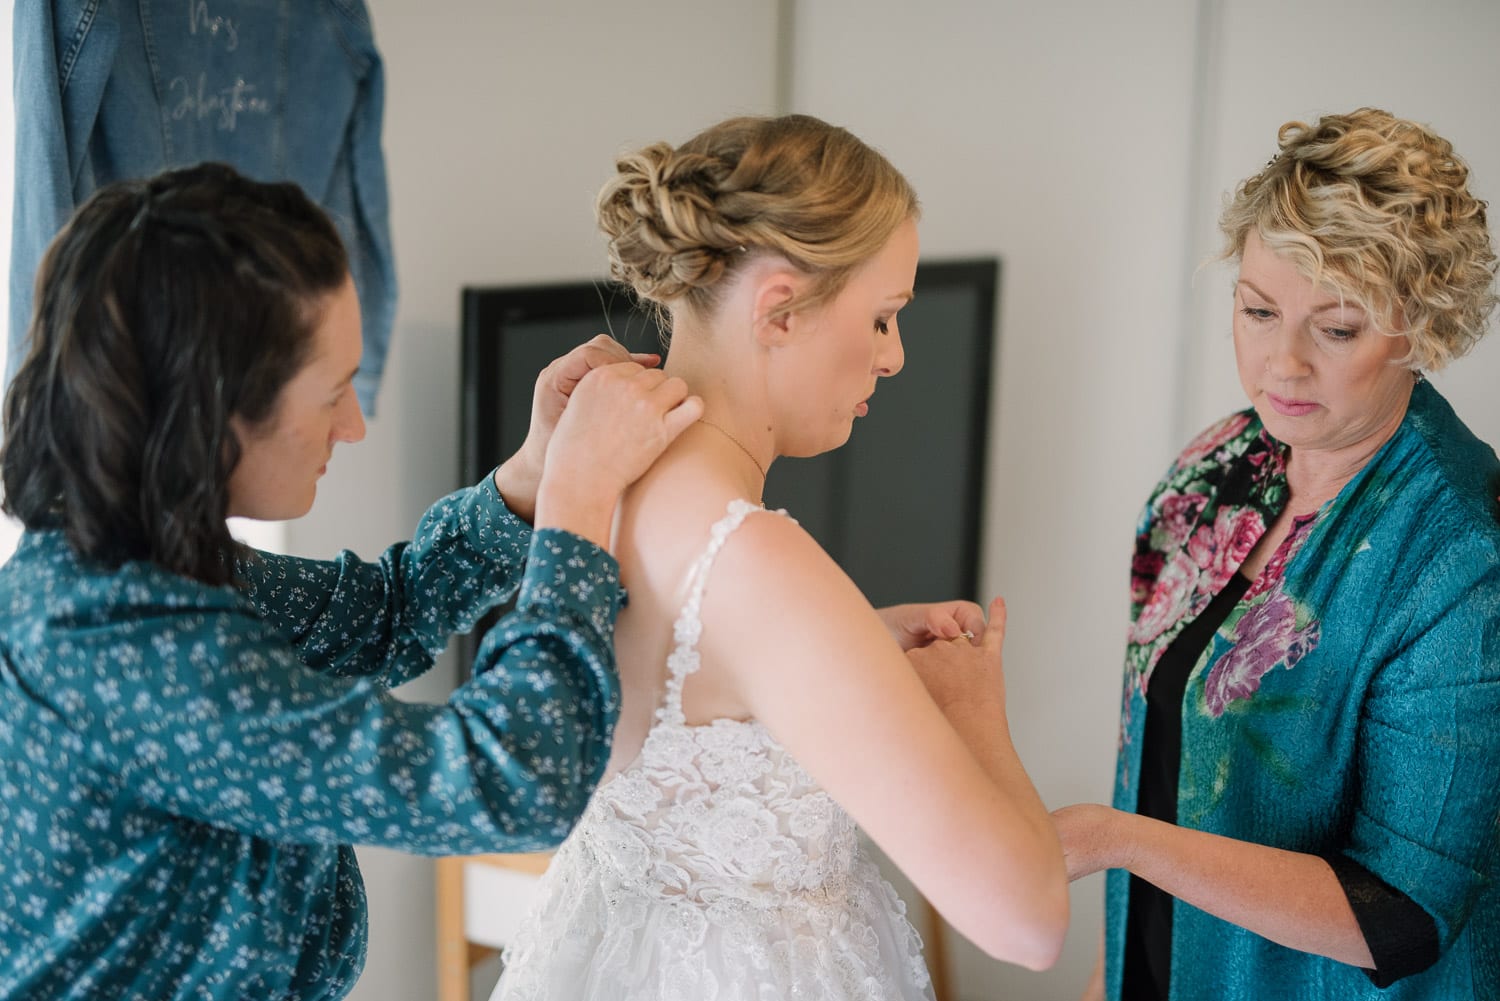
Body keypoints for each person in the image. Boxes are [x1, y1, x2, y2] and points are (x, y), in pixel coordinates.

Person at [0, 162, 704, 1000]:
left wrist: (528, 476)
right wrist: (577, 502)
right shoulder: (122, 649)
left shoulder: (135, 560)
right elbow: (507, 780)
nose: (355, 424)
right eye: (331, 392)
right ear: (213, 414)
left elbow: (378, 618)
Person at [488, 114, 1070, 1001]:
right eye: (881, 319)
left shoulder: (599, 482)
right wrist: (974, 707)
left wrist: (856, 641)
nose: (895, 355)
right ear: (780, 308)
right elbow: (1025, 922)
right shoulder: (755, 562)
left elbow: (694, 688)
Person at [1053, 108, 1500, 1000]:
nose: (1281, 364)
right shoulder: (1214, 469)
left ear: (1424, 326)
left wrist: (1115, 840)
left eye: (1336, 330)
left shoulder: (1463, 555)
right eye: (1258, 311)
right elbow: (1164, 739)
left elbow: (1402, 916)